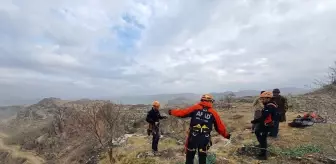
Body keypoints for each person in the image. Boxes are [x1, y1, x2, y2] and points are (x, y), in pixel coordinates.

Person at [168, 94, 231, 164]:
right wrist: (227, 135)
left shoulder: (195, 108)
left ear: (202, 100)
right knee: (202, 158)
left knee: (189, 157)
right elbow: (220, 127)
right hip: (204, 138)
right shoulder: (213, 113)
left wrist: (172, 112)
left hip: (193, 137)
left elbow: (183, 113)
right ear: (210, 101)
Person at [251, 91, 278, 160]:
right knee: (257, 132)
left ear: (268, 98)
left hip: (267, 125)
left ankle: (263, 155)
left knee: (262, 138)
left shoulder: (270, 106)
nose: (262, 100)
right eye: (262, 99)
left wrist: (255, 121)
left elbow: (264, 116)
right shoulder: (269, 104)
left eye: (263, 99)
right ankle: (262, 148)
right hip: (266, 124)